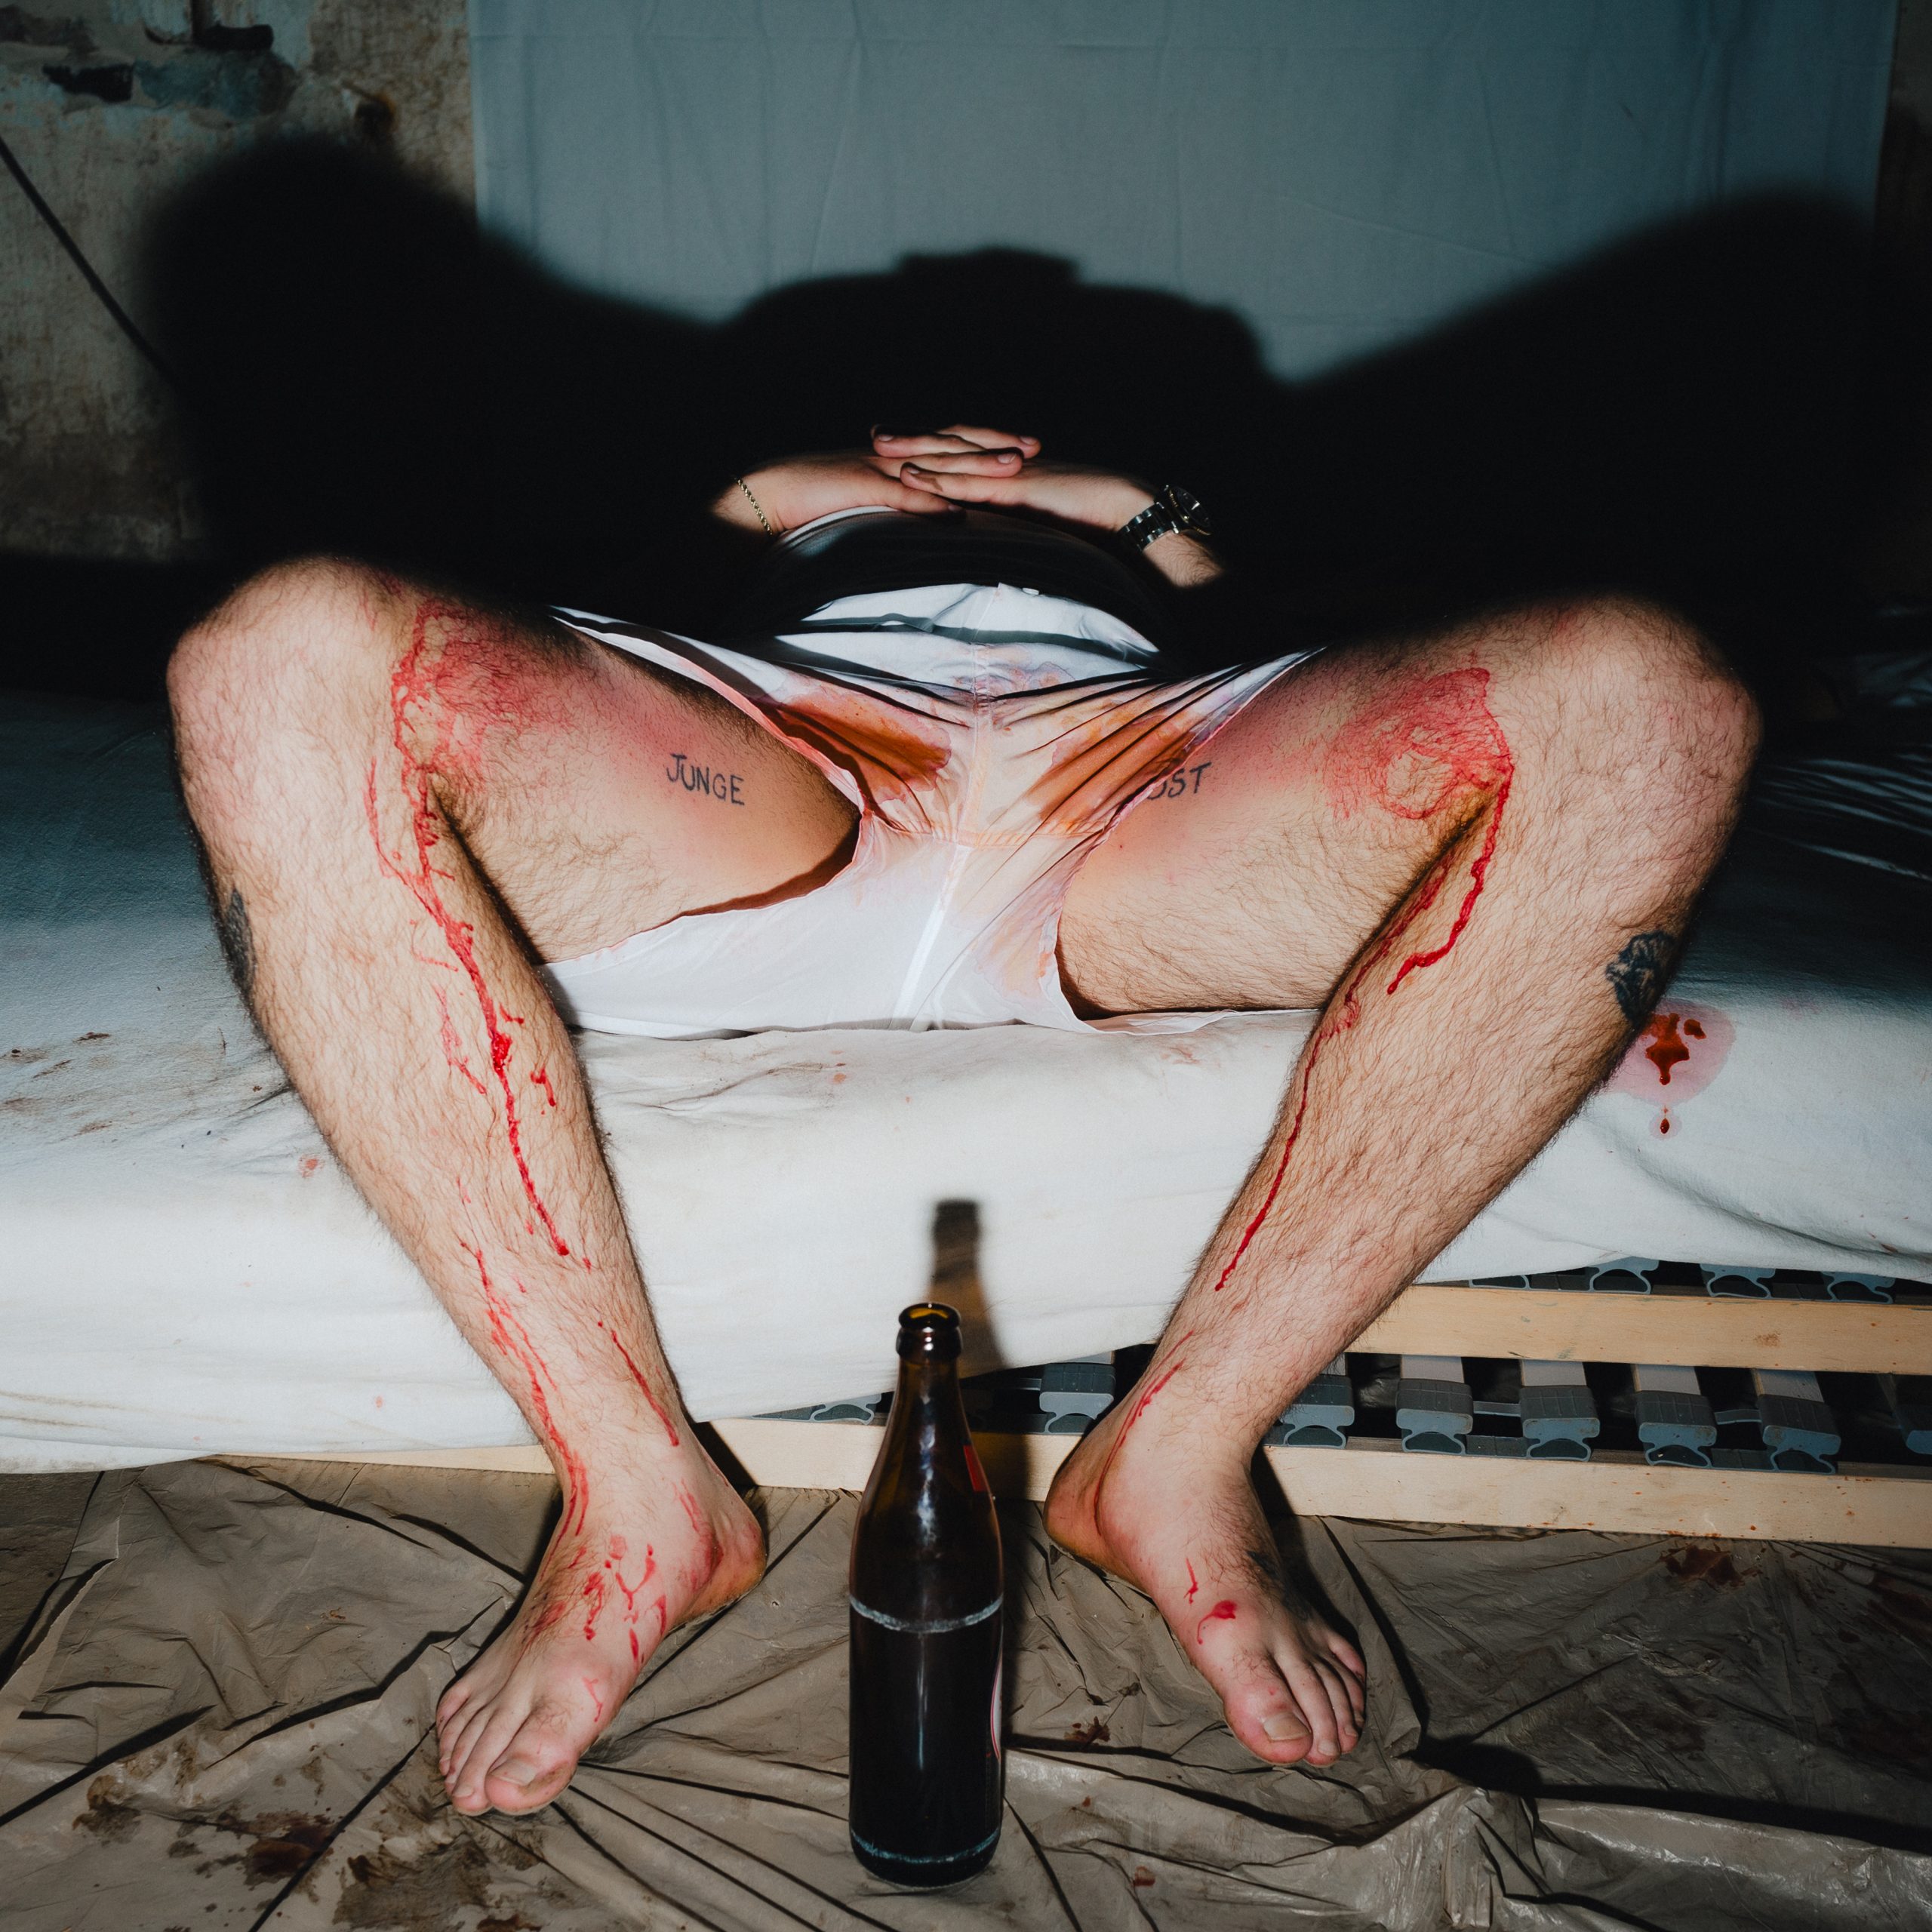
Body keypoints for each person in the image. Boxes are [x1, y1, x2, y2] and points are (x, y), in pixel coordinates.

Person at [166, 425, 1758, 1817]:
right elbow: (592, 623)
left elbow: (1291, 641)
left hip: (1135, 770)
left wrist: (1131, 508)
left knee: (1645, 697)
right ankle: (638, 1494)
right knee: (282, 648)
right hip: (780, 752)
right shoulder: (787, 530)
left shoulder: (1137, 540)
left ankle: (1175, 1452)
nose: (966, 454)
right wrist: (770, 494)